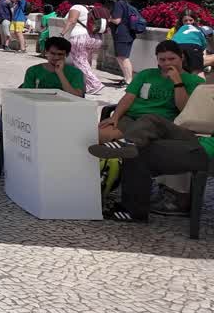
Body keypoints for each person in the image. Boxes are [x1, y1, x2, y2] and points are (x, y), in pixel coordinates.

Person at [86, 41, 208, 222]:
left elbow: (184, 109)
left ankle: (126, 145)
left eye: (171, 59)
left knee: (146, 126)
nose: (167, 63)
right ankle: (95, 184)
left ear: (181, 57)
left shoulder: (194, 82)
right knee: (95, 136)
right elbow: (128, 98)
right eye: (162, 59)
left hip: (162, 125)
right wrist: (115, 117)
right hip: (132, 120)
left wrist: (177, 82)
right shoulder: (146, 75)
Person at [61, 0, 105, 95]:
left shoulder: (76, 7)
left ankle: (95, 84)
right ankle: (86, 84)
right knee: (86, 61)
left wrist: (62, 33)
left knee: (79, 61)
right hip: (95, 37)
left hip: (79, 36)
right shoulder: (93, 8)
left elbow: (72, 21)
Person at [104, 0, 138, 86]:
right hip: (126, 34)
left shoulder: (118, 4)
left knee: (123, 57)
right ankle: (127, 79)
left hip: (122, 34)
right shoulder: (124, 3)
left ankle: (129, 80)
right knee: (120, 57)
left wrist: (108, 19)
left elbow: (117, 20)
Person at [166, 8, 209, 74]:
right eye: (185, 21)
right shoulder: (174, 30)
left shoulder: (198, 29)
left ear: (194, 20)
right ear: (181, 21)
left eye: (190, 20)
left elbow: (203, 45)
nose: (188, 22)